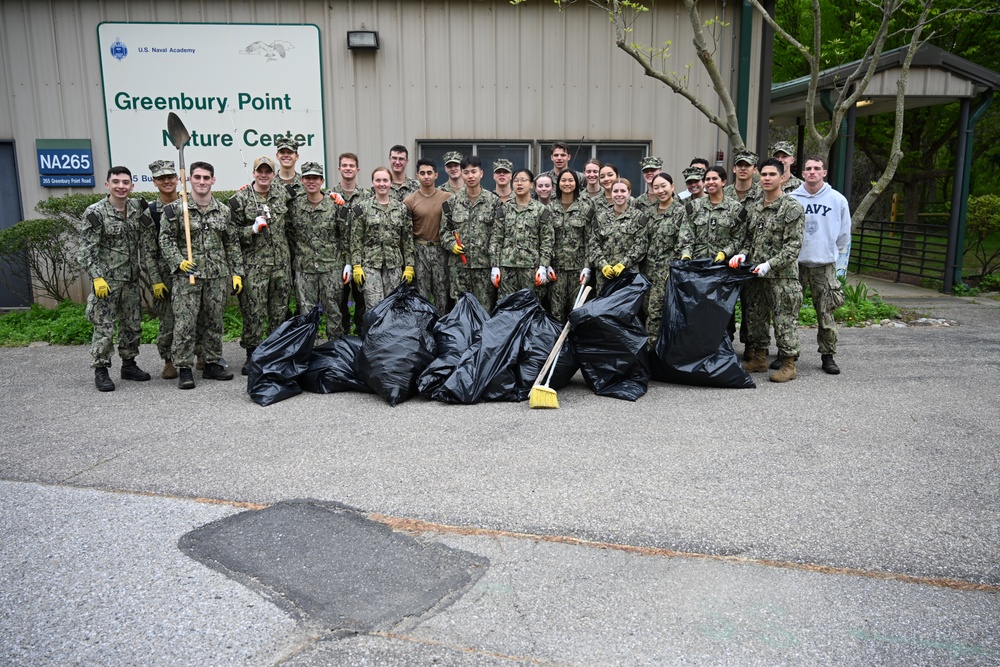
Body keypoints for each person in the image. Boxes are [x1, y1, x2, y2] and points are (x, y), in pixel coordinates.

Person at [159, 161, 245, 390]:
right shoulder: (177, 209)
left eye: (206, 177)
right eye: (197, 177)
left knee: (213, 321)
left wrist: (237, 273)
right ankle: (185, 368)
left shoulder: (223, 211)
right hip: (187, 276)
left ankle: (212, 363)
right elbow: (165, 239)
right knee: (185, 323)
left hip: (216, 275)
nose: (202, 182)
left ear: (213, 180)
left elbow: (232, 243)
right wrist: (178, 262)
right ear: (190, 180)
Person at [729, 158, 805, 383]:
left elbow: (793, 246)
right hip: (756, 275)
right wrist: (742, 254)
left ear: (782, 177)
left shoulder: (791, 207)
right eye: (763, 174)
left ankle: (789, 364)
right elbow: (748, 237)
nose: (767, 178)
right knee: (756, 318)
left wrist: (770, 264)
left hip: (781, 276)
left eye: (772, 174)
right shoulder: (753, 206)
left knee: (784, 320)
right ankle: (759, 358)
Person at [79, 166, 155, 391]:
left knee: (132, 325)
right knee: (104, 327)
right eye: (116, 182)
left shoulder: (137, 208)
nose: (121, 186)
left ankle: (129, 365)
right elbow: (86, 250)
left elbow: (148, 237)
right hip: (107, 282)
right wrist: (96, 277)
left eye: (125, 182)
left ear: (131, 186)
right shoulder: (95, 212)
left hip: (131, 280)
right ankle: (101, 370)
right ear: (107, 185)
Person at [229, 155, 294, 375]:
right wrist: (251, 230)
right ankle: (253, 354)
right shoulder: (240, 199)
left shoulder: (283, 195)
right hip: (254, 267)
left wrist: (334, 195)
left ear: (274, 175)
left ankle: (274, 353)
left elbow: (311, 195)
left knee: (279, 311)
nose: (264, 175)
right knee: (253, 311)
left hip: (280, 265)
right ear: (254, 173)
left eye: (268, 172)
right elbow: (231, 235)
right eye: (260, 171)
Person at [790, 155, 851, 375]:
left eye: (817, 168)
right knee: (790, 311)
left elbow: (844, 233)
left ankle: (828, 355)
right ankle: (789, 354)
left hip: (823, 265)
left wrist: (831, 250)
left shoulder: (837, 200)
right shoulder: (792, 199)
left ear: (824, 172)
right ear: (803, 173)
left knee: (825, 313)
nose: (812, 172)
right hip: (795, 265)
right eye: (808, 169)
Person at [286, 161, 348, 340]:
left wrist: (349, 263)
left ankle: (335, 351)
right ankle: (307, 351)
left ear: (322, 180)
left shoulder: (335, 204)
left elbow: (345, 236)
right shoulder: (294, 205)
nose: (311, 181)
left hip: (331, 267)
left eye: (315, 178)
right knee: (306, 313)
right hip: (304, 268)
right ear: (302, 180)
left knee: (334, 311)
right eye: (307, 178)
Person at [440, 155, 504, 312]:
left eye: (473, 172)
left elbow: (498, 235)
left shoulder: (494, 202)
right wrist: (451, 244)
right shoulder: (452, 203)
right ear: (462, 174)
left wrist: (495, 265)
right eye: (466, 172)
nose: (470, 176)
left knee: (484, 310)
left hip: (484, 267)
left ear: (481, 173)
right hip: (459, 268)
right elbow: (444, 231)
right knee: (460, 311)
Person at [349, 166, 415, 309]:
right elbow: (355, 240)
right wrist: (356, 266)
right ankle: (373, 332)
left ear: (391, 183)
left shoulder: (401, 209)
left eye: (385, 180)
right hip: (370, 265)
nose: (382, 184)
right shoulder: (362, 208)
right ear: (373, 183)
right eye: (378, 180)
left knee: (394, 306)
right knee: (374, 307)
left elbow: (408, 240)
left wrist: (409, 266)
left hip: (394, 265)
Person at [490, 168, 554, 299]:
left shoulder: (541, 210)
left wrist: (543, 266)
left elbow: (547, 240)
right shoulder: (504, 209)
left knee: (530, 308)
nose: (519, 184)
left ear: (531, 185)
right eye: (516, 181)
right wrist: (495, 266)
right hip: (507, 268)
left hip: (531, 268)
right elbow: (496, 239)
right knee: (507, 308)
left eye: (523, 180)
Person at [143, 159, 180, 379]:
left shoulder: (188, 205)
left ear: (177, 179)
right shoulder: (150, 213)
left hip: (188, 270)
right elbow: (148, 251)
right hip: (165, 274)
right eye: (161, 178)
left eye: (170, 177)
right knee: (168, 319)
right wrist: (155, 279)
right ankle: (168, 360)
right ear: (154, 181)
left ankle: (202, 356)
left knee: (198, 316)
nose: (167, 181)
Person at [641, 171, 685, 349]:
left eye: (664, 186)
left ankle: (652, 351)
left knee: (656, 312)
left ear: (672, 187)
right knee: (645, 310)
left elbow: (683, 243)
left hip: (665, 271)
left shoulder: (681, 212)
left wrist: (673, 268)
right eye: (656, 187)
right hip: (647, 270)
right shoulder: (649, 212)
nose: (660, 190)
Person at [404, 158, 453, 313]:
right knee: (422, 294)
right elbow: (404, 232)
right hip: (420, 249)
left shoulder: (447, 198)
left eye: (429, 173)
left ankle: (441, 328)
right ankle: (424, 329)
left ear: (436, 175)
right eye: (422, 173)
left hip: (440, 250)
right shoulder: (410, 201)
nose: (426, 176)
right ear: (417, 175)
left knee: (442, 293)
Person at [548, 169, 596, 322]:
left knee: (577, 313)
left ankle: (574, 345)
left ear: (576, 183)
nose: (567, 184)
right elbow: (546, 239)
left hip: (578, 270)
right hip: (556, 271)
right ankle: (556, 344)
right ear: (558, 183)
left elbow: (590, 239)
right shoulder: (549, 208)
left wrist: (587, 266)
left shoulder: (586, 207)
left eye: (571, 180)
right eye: (563, 180)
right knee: (555, 312)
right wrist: (546, 265)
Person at [330, 152, 370, 334]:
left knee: (362, 300)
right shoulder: (329, 197)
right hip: (337, 258)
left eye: (351, 166)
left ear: (357, 169)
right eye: (344, 165)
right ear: (339, 169)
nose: (348, 168)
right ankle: (343, 338)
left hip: (361, 258)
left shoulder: (367, 197)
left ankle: (361, 336)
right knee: (340, 301)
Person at [589, 178, 648, 293]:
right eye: (615, 191)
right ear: (611, 193)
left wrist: (623, 264)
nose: (619, 194)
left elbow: (640, 246)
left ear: (629, 193)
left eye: (623, 191)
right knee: (603, 309)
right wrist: (603, 265)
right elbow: (593, 244)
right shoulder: (601, 217)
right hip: (605, 276)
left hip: (628, 275)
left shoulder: (638, 217)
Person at [678, 166, 746, 264]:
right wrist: (686, 255)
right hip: (696, 264)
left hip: (723, 265)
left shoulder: (735, 208)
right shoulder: (694, 206)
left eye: (714, 178)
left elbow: (739, 239)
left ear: (723, 182)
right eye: (707, 179)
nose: (710, 182)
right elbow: (686, 234)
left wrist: (724, 253)